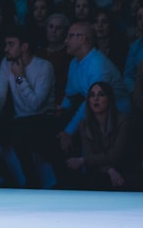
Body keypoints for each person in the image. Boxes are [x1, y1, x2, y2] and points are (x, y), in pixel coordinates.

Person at [0, 26, 57, 188]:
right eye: (6, 44)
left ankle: (32, 183)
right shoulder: (6, 63)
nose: (6, 49)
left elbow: (35, 105)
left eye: (11, 44)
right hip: (20, 119)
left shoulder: (44, 67)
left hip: (43, 118)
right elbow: (0, 94)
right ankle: (9, 179)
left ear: (24, 47)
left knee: (20, 133)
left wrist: (20, 77)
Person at [56, 21, 132, 186]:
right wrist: (60, 110)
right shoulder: (74, 63)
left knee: (69, 132)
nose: (65, 41)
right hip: (93, 112)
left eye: (69, 36)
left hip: (115, 114)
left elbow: (92, 101)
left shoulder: (98, 64)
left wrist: (68, 131)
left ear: (82, 38)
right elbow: (70, 95)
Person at [65, 81, 135, 190]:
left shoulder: (123, 120)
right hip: (100, 172)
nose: (95, 99)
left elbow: (116, 154)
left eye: (101, 94)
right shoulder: (83, 124)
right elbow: (90, 154)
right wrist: (109, 169)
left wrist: (83, 160)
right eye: (92, 95)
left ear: (109, 99)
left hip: (123, 169)